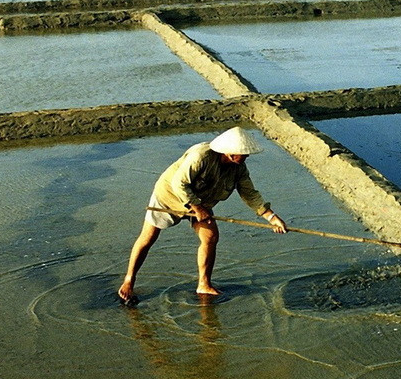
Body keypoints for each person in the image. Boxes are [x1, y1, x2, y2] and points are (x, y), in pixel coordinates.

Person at [118, 127, 287, 303]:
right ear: (230, 153)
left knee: (211, 236)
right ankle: (129, 280)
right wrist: (197, 208)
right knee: (148, 238)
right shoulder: (202, 156)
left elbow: (249, 193)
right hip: (170, 195)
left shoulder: (239, 168)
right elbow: (179, 183)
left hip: (201, 201)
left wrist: (272, 218)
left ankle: (204, 283)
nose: (247, 157)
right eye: (243, 153)